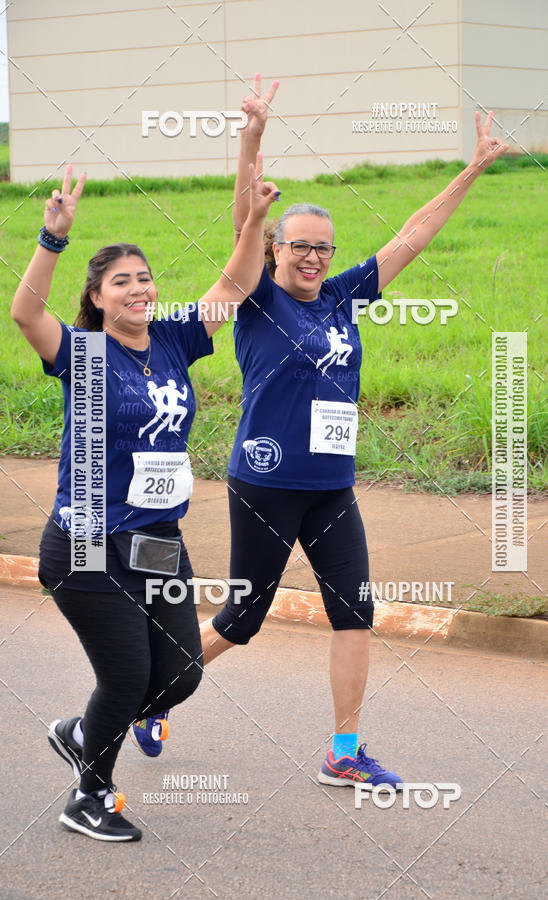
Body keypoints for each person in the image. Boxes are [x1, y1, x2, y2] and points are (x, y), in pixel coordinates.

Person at [133, 81, 508, 786]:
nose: (313, 258)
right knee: (242, 619)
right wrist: (251, 137)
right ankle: (152, 696)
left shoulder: (342, 296)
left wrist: (475, 166)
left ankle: (343, 753)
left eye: (324, 249)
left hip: (333, 487)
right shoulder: (256, 297)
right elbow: (246, 219)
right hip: (266, 484)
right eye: (300, 246)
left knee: (354, 614)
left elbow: (413, 235)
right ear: (276, 250)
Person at [11, 159, 279, 841]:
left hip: (158, 539)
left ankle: (80, 731)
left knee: (180, 674)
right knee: (127, 677)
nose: (138, 289)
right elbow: (24, 312)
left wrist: (252, 217)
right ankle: (89, 795)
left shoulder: (173, 338)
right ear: (98, 298)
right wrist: (52, 238)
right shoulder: (83, 353)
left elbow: (238, 282)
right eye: (121, 282)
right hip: (86, 542)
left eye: (144, 277)